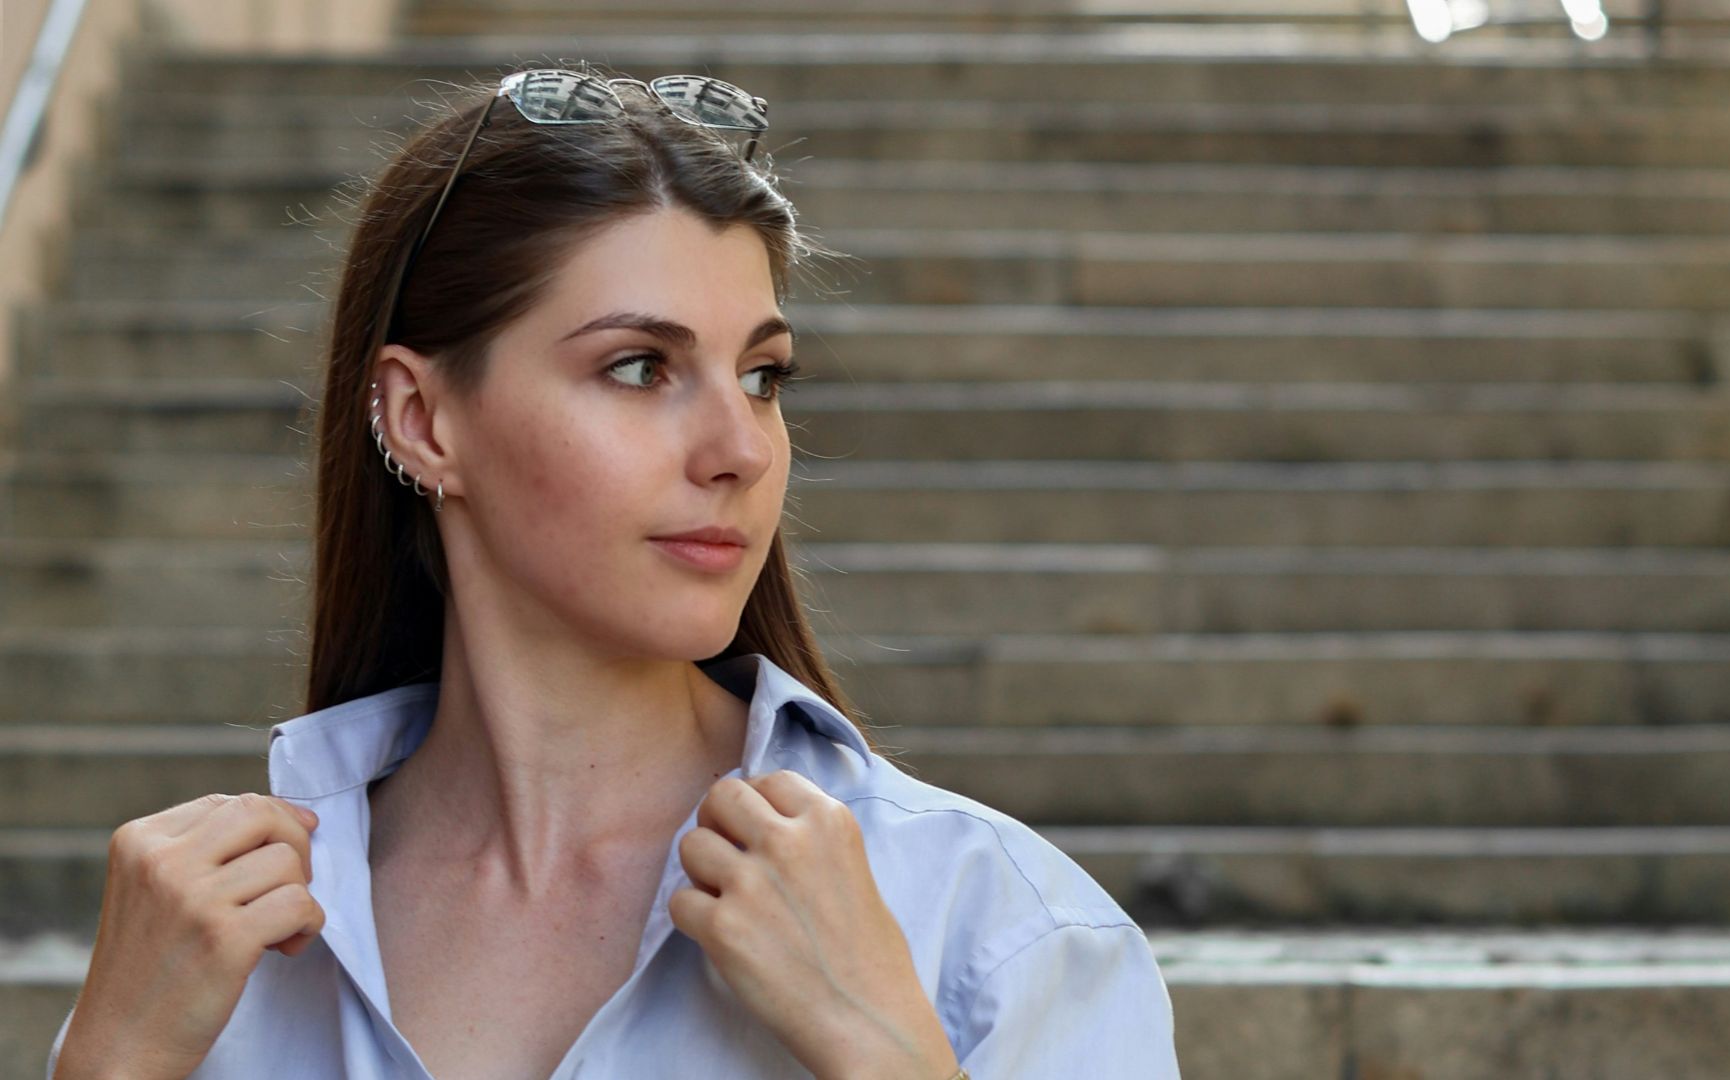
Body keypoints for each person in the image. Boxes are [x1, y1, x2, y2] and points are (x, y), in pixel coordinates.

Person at [46, 64, 1181, 1079]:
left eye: (764, 375)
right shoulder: (206, 955)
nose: (739, 448)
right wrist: (109, 1065)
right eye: (641, 368)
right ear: (425, 418)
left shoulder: (992, 928)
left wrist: (883, 1053)